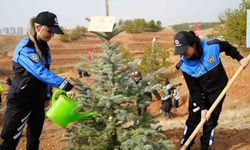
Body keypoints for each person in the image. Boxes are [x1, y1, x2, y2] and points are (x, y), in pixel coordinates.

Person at [0, 11, 74, 150]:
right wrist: (65, 85)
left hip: (37, 100)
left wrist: (47, 94)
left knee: (34, 138)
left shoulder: (44, 46)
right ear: (38, 27)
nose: (52, 35)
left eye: (54, 32)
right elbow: (40, 72)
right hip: (21, 101)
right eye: (50, 31)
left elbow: (45, 72)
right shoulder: (26, 48)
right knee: (10, 140)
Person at [173, 31, 249, 150]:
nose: (182, 54)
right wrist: (202, 108)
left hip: (218, 90)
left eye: (185, 49)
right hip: (199, 93)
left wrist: (240, 58)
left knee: (211, 121)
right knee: (193, 121)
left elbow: (228, 47)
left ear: (193, 44)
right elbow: (194, 90)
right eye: (180, 51)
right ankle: (185, 146)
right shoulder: (184, 65)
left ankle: (205, 147)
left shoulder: (212, 46)